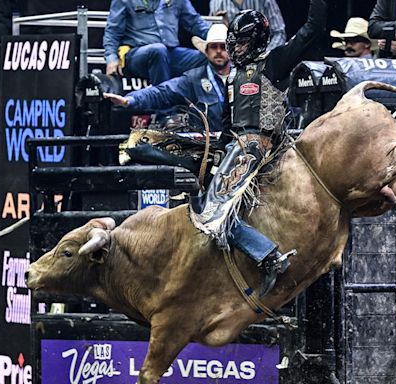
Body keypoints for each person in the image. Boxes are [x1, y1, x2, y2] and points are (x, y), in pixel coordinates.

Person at [190, 1, 327, 296]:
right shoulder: (231, 80)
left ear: (254, 42)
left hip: (262, 145)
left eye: (240, 44)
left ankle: (269, 257)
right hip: (237, 147)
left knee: (213, 211)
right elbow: (227, 127)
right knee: (204, 205)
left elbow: (311, 30)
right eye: (233, 44)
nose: (234, 50)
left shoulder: (274, 64)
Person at [103, 23, 230, 132]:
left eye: (223, 47)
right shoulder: (193, 79)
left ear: (230, 51)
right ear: (206, 51)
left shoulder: (243, 77)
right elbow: (161, 92)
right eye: (213, 46)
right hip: (209, 146)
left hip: (239, 144)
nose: (218, 51)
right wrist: (130, 100)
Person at [103, 0, 210, 85]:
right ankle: (164, 112)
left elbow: (195, 23)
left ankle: (201, 106)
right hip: (137, 55)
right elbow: (112, 31)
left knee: (209, 57)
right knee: (158, 50)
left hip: (170, 53)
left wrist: (220, 39)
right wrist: (111, 58)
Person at [209, 0, 286, 52]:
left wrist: (265, 56)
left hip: (263, 58)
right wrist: (221, 29)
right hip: (229, 63)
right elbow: (210, 41)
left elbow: (279, 33)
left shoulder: (265, 1)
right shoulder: (216, 3)